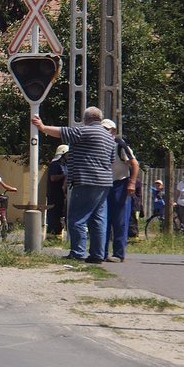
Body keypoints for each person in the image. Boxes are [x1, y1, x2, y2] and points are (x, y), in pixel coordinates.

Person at [32, 106, 116, 263]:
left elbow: (61, 132)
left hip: (85, 180)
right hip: (104, 183)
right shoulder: (108, 138)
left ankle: (77, 252)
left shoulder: (84, 131)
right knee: (98, 219)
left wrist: (42, 127)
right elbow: (111, 162)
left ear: (87, 119)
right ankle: (97, 255)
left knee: (77, 218)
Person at [101, 118, 139, 262]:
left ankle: (118, 254)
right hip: (103, 184)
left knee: (120, 219)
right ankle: (101, 252)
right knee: (102, 219)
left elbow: (135, 164)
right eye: (102, 129)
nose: (104, 132)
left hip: (120, 185)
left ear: (113, 131)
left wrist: (132, 183)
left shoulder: (119, 145)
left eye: (107, 130)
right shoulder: (97, 144)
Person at [46, 144, 69, 238]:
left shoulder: (64, 165)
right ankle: (52, 234)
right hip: (54, 193)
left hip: (61, 193)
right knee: (54, 213)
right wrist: (64, 175)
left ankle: (58, 234)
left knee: (60, 214)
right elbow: (53, 178)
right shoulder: (55, 164)